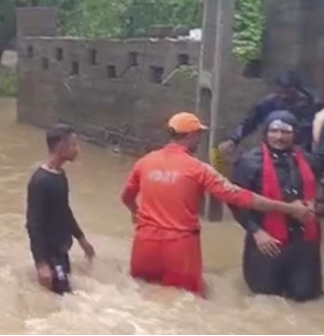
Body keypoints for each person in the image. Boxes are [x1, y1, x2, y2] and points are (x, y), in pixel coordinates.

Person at [121, 112, 315, 296]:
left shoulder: (144, 162)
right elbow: (240, 197)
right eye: (199, 135)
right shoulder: (198, 169)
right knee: (187, 302)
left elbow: (126, 197)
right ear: (193, 136)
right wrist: (290, 208)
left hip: (144, 244)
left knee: (142, 294)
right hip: (179, 247)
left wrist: (135, 212)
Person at [230, 110, 323, 302]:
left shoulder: (307, 160)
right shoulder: (249, 162)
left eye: (285, 132)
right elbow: (235, 202)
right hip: (267, 243)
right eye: (274, 131)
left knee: (306, 300)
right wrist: (256, 232)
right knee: (265, 300)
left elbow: (318, 188)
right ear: (266, 132)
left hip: (304, 244)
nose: (279, 137)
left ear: (295, 134)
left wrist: (315, 205)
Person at [25, 124, 95, 295]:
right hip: (50, 254)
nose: (77, 150)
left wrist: (81, 239)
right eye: (73, 145)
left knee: (66, 295)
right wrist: (41, 263)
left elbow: (64, 211)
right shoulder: (40, 181)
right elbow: (33, 223)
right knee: (64, 298)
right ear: (61, 146)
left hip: (61, 251)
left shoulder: (60, 176)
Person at [219, 70, 320, 154]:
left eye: (288, 92)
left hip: (302, 151)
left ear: (297, 90)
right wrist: (234, 139)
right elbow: (250, 122)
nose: (284, 95)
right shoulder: (270, 102)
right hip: (272, 149)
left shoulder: (309, 104)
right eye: (281, 91)